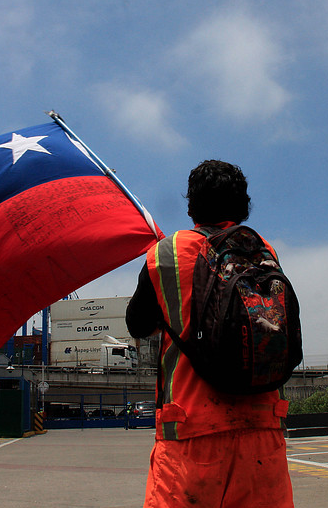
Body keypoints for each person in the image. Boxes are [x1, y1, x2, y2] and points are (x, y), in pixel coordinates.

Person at [126, 160, 294, 508]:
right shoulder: (264, 252)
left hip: (190, 434)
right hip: (263, 431)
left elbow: (137, 324)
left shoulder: (167, 253)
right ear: (243, 205)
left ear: (191, 206)